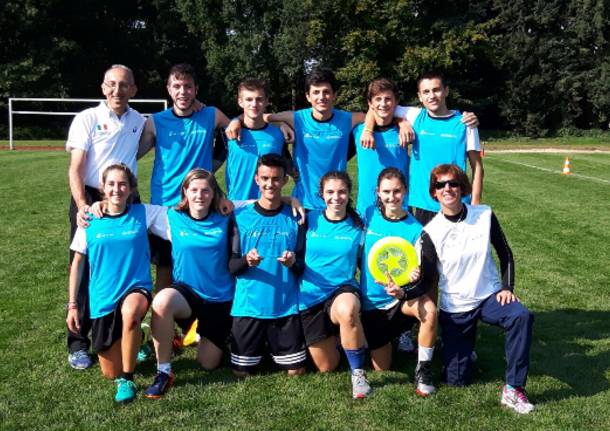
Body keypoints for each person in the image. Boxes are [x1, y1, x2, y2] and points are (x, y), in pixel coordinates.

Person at [423, 164, 535, 414]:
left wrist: (507, 287)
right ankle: (462, 349)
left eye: (453, 183)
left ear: (462, 188)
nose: (447, 189)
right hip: (456, 308)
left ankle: (513, 388)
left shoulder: (484, 215)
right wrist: (403, 290)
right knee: (456, 381)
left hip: (490, 296)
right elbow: (426, 278)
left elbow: (505, 253)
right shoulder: (430, 231)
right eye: (441, 185)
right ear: (434, 193)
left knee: (520, 316)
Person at [227, 67, 412, 210]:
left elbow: (377, 111)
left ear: (334, 95)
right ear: (308, 96)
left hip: (335, 200)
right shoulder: (297, 118)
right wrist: (236, 120)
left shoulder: (347, 119)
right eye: (316, 92)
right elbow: (261, 116)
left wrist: (400, 121)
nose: (321, 97)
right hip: (303, 201)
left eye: (326, 92)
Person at [65, 64, 145, 369]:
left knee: (128, 267)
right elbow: (76, 168)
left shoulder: (138, 121)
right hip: (91, 197)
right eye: (111, 85)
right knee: (84, 268)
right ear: (103, 87)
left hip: (126, 198)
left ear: (133, 90)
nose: (117, 90)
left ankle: (130, 336)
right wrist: (84, 205)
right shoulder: (87, 118)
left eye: (124, 85)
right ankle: (77, 343)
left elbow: (142, 148)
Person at [66, 164, 166, 403]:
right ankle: (139, 338)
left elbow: (183, 212)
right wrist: (72, 305)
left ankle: (128, 378)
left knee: (130, 314)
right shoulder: (89, 218)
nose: (116, 189)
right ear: (103, 187)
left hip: (136, 287)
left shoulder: (144, 213)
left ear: (131, 188)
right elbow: (77, 264)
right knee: (109, 371)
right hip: (103, 297)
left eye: (122, 184)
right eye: (111, 184)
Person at [137, 63, 232, 290]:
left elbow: (236, 133)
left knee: (205, 260)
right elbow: (133, 155)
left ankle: (202, 313)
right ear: (168, 89)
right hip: (166, 206)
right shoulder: (155, 121)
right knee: (166, 267)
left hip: (201, 202)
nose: (182, 92)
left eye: (188, 87)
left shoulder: (211, 115)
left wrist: (212, 166)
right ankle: (163, 319)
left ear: (196, 89)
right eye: (177, 86)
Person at [143, 169, 235, 399]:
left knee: (208, 364)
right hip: (187, 294)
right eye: (194, 190)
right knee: (162, 301)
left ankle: (203, 333)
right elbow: (128, 209)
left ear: (214, 193)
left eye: (206, 190)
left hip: (220, 299)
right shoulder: (170, 216)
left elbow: (263, 200)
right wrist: (96, 206)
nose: (199, 195)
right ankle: (164, 372)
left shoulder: (226, 214)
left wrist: (288, 198)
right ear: (185, 192)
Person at [359, 168, 438, 397]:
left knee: (430, 310)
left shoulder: (416, 229)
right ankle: (386, 339)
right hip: (371, 303)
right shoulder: (367, 215)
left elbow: (423, 272)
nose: (391, 197)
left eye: (397, 191)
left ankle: (423, 370)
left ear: (406, 192)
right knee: (382, 368)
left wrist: (414, 278)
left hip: (400, 301)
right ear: (378, 192)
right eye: (386, 192)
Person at [228, 154, 307, 376]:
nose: (270, 184)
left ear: (284, 181)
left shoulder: (296, 216)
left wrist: (292, 263)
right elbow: (232, 266)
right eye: (265, 178)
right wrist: (246, 261)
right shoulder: (240, 216)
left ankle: (272, 346)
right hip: (248, 307)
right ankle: (256, 345)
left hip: (284, 307)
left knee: (296, 371)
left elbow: (301, 267)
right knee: (241, 372)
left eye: (275, 179)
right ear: (256, 179)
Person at [297, 171, 371, 399]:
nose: (336, 197)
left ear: (349, 194)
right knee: (326, 366)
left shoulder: (359, 225)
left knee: (347, 310)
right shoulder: (309, 218)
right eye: (330, 192)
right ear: (321, 194)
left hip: (342, 289)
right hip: (309, 297)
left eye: (341, 192)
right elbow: (270, 203)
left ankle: (358, 375)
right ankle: (347, 339)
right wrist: (292, 200)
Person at [396, 72, 483, 226]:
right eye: (426, 92)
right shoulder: (415, 116)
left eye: (436, 90)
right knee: (423, 250)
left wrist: (475, 206)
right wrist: (401, 122)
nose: (432, 96)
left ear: (446, 91)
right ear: (419, 96)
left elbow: (477, 167)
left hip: (455, 204)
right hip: (422, 205)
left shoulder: (465, 123)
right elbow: (380, 107)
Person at [354, 78, 409, 216]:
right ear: (370, 103)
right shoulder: (357, 131)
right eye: (378, 99)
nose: (383, 104)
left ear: (396, 102)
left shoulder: (407, 131)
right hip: (367, 208)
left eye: (388, 99)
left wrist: (402, 122)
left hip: (399, 206)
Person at [225, 78, 287, 200]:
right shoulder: (229, 132)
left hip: (269, 204)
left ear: (266, 101)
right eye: (249, 99)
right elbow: (211, 167)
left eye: (259, 99)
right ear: (240, 102)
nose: (254, 104)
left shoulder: (278, 134)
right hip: (238, 205)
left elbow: (287, 166)